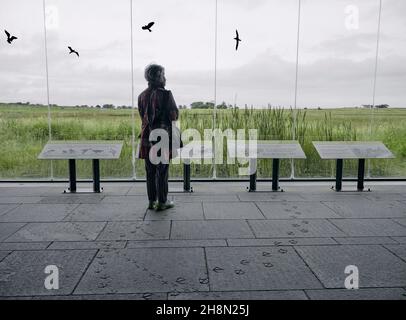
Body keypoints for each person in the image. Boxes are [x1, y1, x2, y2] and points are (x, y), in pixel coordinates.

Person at [138, 64, 179, 211]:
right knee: (162, 170)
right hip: (161, 137)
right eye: (163, 75)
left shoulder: (142, 95)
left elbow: (142, 116)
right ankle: (162, 202)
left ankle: (151, 201)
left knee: (150, 171)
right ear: (158, 77)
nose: (165, 78)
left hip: (146, 137)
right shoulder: (166, 94)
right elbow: (174, 115)